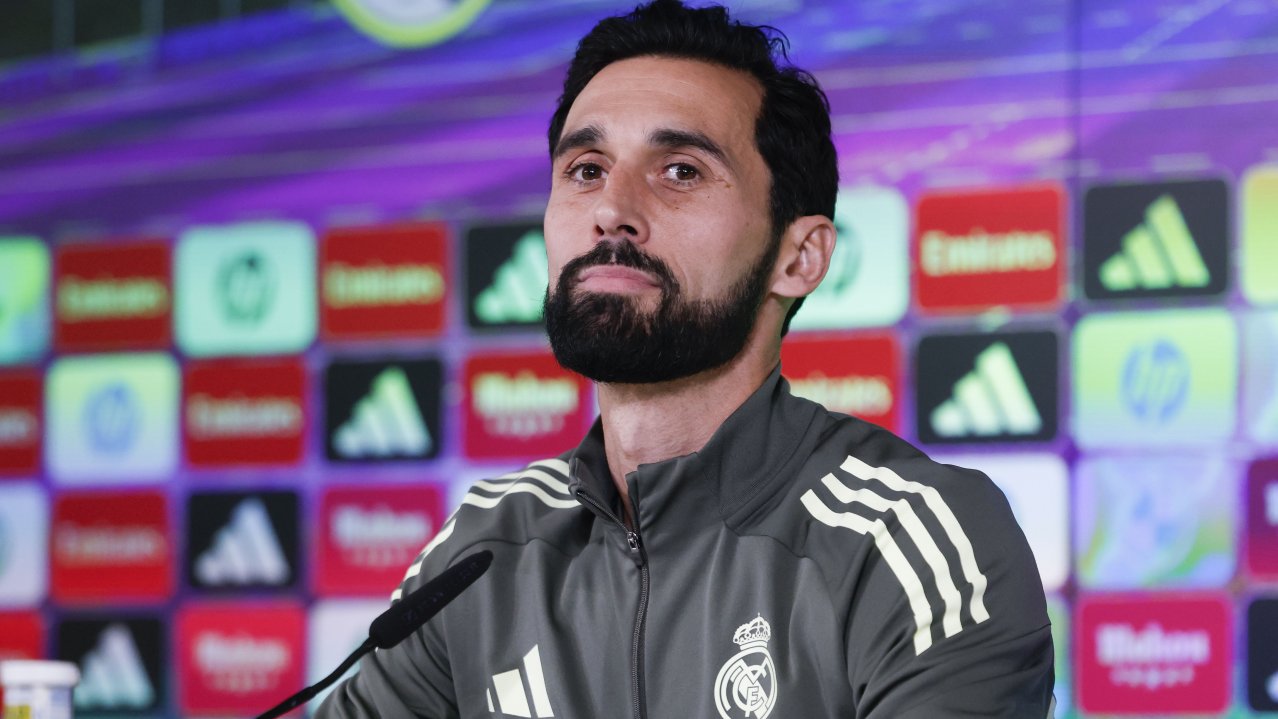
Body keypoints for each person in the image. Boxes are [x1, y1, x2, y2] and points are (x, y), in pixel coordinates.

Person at [317, 1, 1055, 716]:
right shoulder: (487, 548)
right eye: (585, 169)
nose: (613, 208)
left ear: (798, 257)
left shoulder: (909, 537)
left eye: (680, 172)